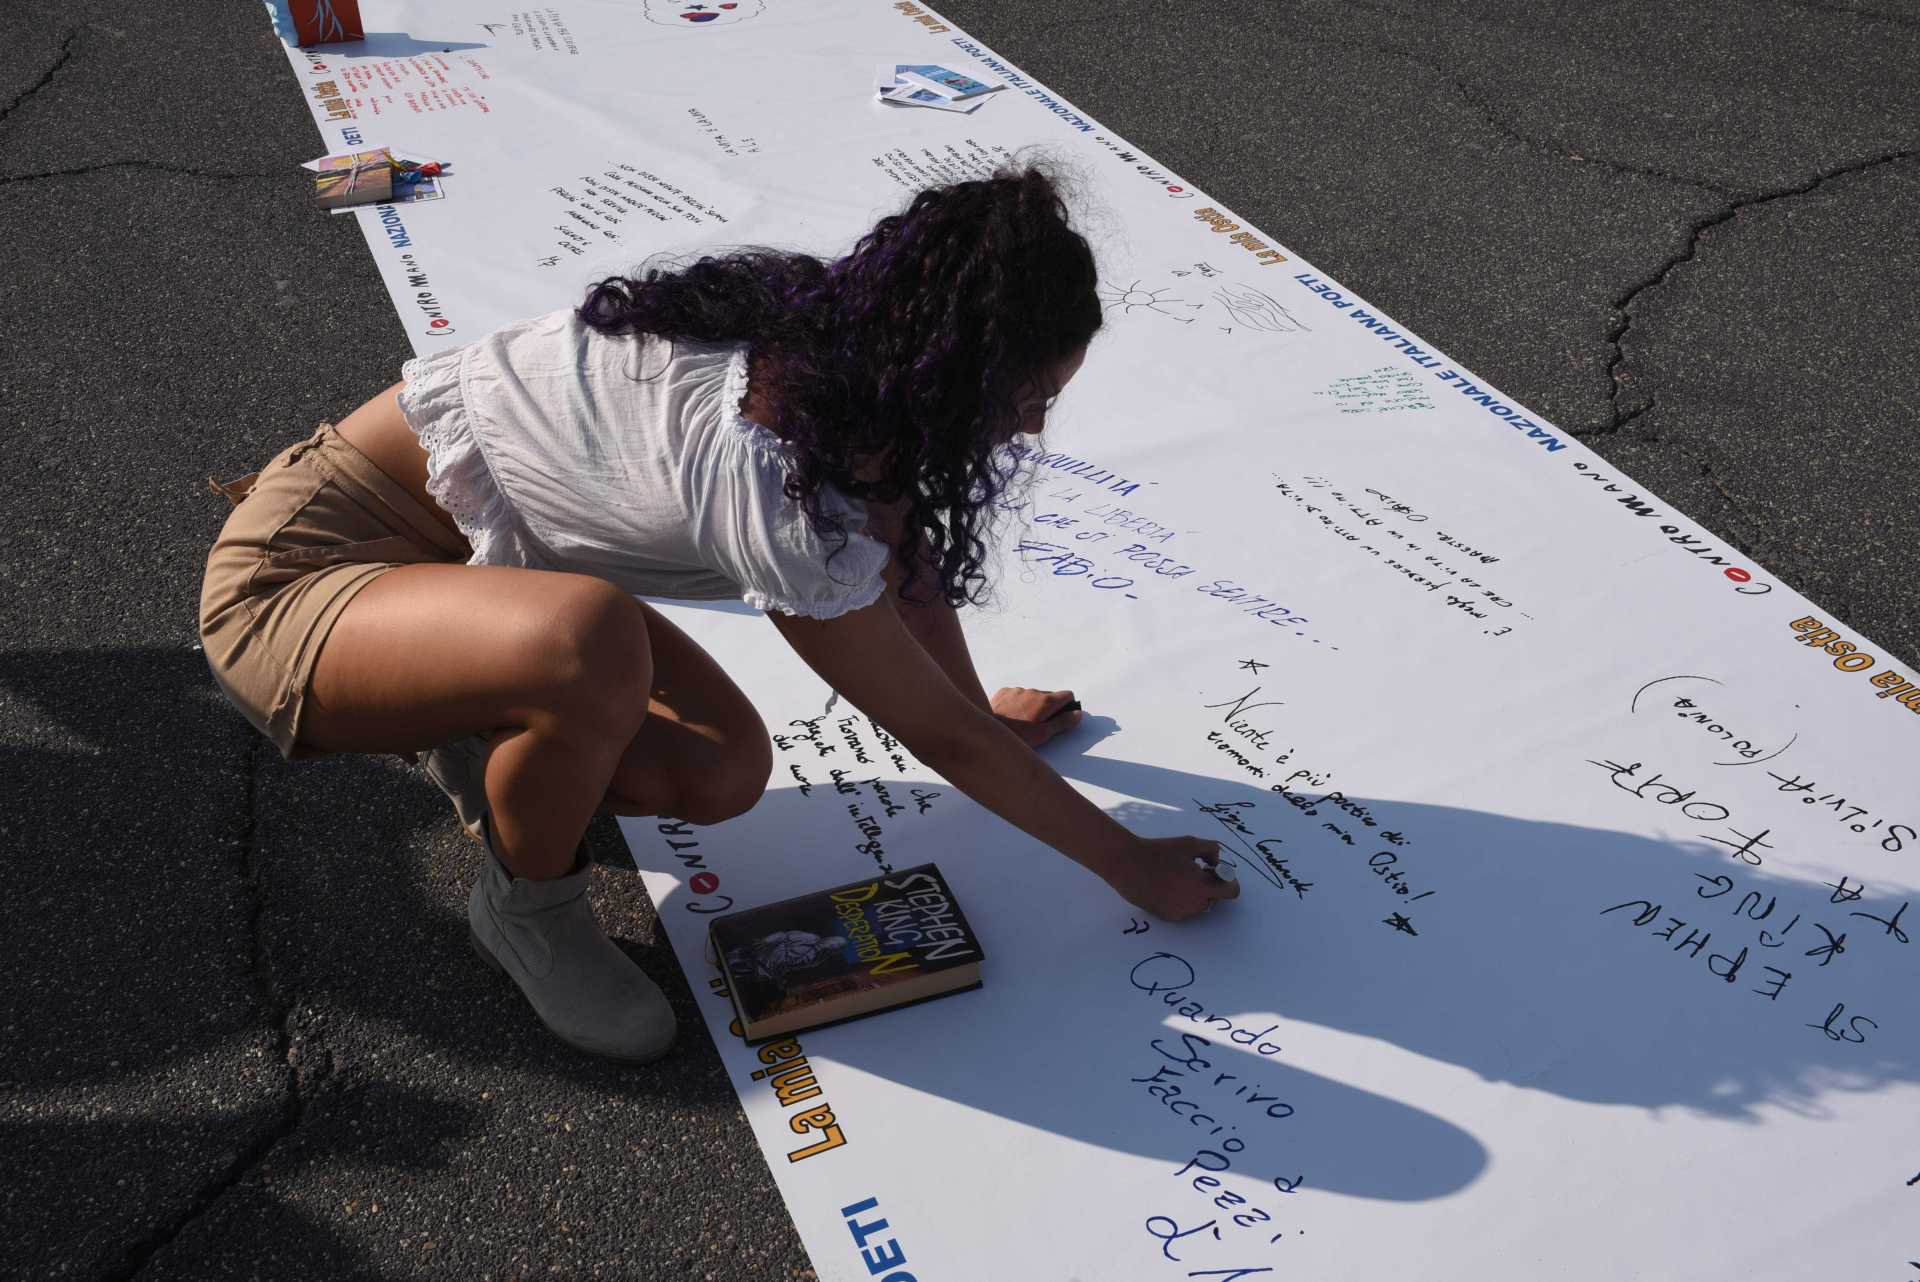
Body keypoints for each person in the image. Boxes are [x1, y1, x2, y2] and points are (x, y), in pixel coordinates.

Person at [198, 165, 1240, 1065]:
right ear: (947, 373)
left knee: (719, 770)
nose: (1035, 423)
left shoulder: (849, 359)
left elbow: (905, 564)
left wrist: (982, 712)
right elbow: (933, 731)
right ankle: (524, 907)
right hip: (300, 582)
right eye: (1025, 398)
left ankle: (472, 716)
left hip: (457, 581)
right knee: (587, 642)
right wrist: (1129, 863)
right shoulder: (769, 466)